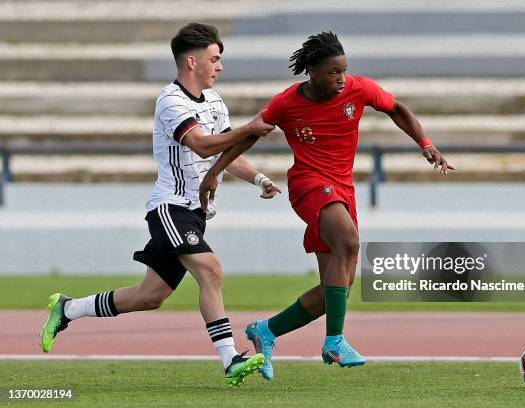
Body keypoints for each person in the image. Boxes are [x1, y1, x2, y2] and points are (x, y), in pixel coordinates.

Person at [198, 31, 454, 380]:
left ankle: (266, 331)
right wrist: (215, 171)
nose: (341, 78)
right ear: (313, 71)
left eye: (344, 70)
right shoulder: (286, 103)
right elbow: (250, 135)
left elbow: (398, 109)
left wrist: (425, 143)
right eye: (334, 71)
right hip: (309, 184)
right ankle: (335, 341)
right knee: (348, 243)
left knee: (335, 290)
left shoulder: (358, 89)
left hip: (343, 190)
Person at [38, 22, 281, 387]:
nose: (220, 67)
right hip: (170, 208)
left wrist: (259, 178)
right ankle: (230, 359)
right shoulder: (171, 100)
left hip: (195, 214)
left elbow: (226, 154)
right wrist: (249, 129)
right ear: (191, 61)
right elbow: (201, 144)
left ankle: (67, 309)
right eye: (214, 59)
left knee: (150, 296)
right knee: (211, 270)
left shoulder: (215, 102)